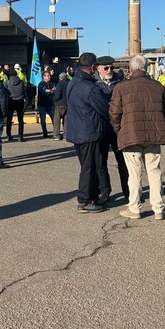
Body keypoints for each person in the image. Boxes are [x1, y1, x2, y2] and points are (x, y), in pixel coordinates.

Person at [110, 54, 165, 221]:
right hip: (154, 136)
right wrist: (157, 125)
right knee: (154, 171)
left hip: (131, 136)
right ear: (145, 68)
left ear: (131, 69)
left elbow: (114, 114)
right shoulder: (158, 86)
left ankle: (134, 208)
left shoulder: (122, 87)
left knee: (134, 173)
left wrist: (120, 130)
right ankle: (158, 209)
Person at [66, 52, 110, 214]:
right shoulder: (90, 87)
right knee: (89, 168)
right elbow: (104, 110)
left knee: (88, 166)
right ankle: (84, 200)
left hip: (77, 131)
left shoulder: (73, 82)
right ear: (92, 67)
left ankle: (92, 197)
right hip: (89, 132)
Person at [94, 55, 127, 203]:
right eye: (106, 68)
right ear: (98, 68)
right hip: (101, 127)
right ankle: (105, 191)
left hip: (118, 128)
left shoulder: (121, 82)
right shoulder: (93, 83)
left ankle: (128, 191)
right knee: (101, 162)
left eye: (111, 67)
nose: (109, 70)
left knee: (123, 161)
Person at [5, 69, 26, 142]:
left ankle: (8, 135)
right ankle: (20, 136)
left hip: (10, 101)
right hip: (20, 101)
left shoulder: (7, 83)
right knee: (20, 119)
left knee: (9, 119)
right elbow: (24, 91)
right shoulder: (21, 82)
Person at [36, 70, 56, 139]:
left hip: (50, 104)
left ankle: (55, 132)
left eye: (49, 75)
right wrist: (50, 91)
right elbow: (44, 93)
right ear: (44, 77)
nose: (49, 77)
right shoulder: (41, 84)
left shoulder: (52, 83)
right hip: (42, 105)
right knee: (43, 119)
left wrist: (49, 91)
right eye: (48, 76)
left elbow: (55, 91)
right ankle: (45, 133)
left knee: (54, 118)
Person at [52, 72, 68, 140]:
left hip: (59, 104)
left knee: (57, 121)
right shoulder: (70, 83)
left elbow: (57, 95)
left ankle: (57, 135)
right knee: (66, 121)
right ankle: (66, 135)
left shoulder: (59, 84)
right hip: (67, 104)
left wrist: (53, 99)